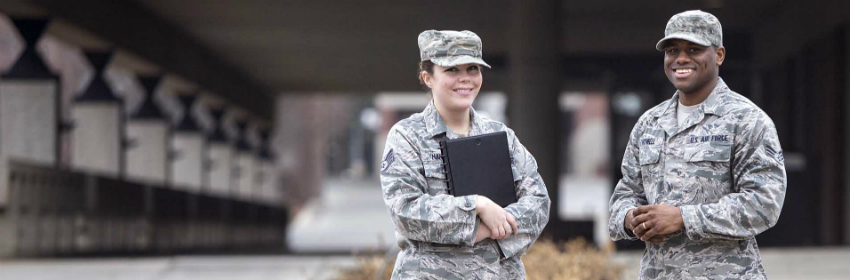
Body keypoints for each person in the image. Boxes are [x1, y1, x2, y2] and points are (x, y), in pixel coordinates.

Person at [608, 10, 787, 279]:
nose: (680, 58)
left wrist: (683, 218)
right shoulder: (649, 123)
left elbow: (764, 204)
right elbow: (625, 193)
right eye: (672, 50)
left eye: (694, 49)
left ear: (719, 55)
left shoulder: (747, 120)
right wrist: (631, 218)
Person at [380, 30, 550, 280]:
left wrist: (493, 225)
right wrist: (477, 207)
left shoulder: (500, 135)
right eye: (451, 70)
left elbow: (538, 201)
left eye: (472, 68)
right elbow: (405, 210)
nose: (465, 79)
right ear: (427, 78)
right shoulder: (407, 136)